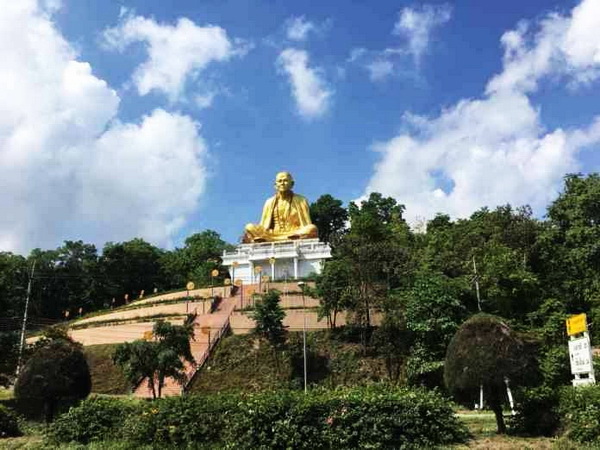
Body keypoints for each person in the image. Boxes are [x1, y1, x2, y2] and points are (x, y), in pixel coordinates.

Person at [243, 171, 318, 243]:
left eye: (285, 181)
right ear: (275, 185)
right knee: (249, 226)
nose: (282, 183)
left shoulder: (301, 200)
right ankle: (276, 239)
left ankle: (270, 239)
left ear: (292, 184)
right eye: (280, 181)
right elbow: (263, 225)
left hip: (294, 232)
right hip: (272, 234)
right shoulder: (269, 202)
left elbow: (307, 224)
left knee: (312, 228)